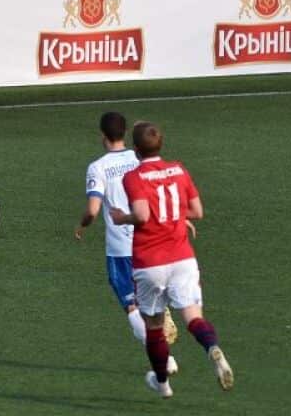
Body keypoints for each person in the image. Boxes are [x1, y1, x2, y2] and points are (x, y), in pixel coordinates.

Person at [110, 121, 234, 399]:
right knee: (192, 316)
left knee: (154, 325)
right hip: (182, 257)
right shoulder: (179, 168)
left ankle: (163, 383)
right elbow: (197, 211)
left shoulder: (134, 177)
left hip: (150, 261)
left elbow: (141, 215)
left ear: (136, 149)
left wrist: (121, 217)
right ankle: (212, 348)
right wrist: (178, 218)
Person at [74, 111, 179, 372]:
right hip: (149, 241)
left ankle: (165, 359)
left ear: (102, 135)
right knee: (149, 303)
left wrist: (82, 225)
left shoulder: (98, 167)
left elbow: (93, 209)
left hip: (120, 249)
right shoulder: (139, 157)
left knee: (130, 305)